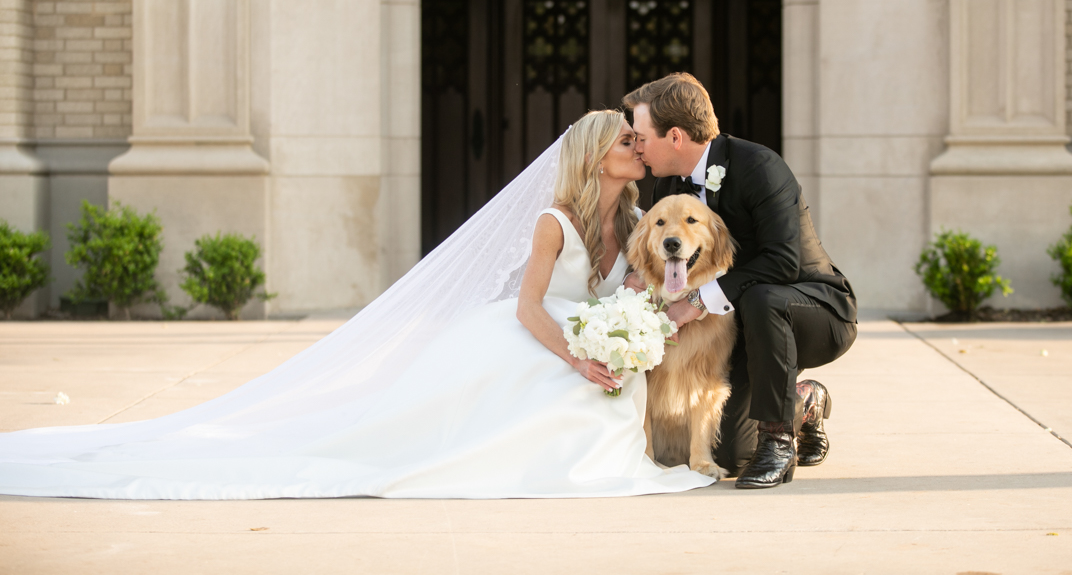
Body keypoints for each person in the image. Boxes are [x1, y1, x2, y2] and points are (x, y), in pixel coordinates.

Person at [0, 111, 713, 499]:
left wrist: (637, 333)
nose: (638, 148)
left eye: (637, 141)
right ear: (596, 156)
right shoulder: (554, 221)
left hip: (587, 346)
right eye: (626, 142)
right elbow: (531, 308)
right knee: (530, 402)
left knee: (609, 398)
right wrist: (579, 356)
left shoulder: (643, 216)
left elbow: (635, 291)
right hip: (535, 340)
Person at [625, 73, 857, 489]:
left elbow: (783, 262)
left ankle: (780, 440)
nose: (637, 146)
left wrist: (695, 304)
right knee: (730, 456)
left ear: (674, 136)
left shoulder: (759, 167)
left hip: (811, 310)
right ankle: (801, 403)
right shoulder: (668, 184)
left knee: (764, 297)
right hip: (741, 330)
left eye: (641, 137)